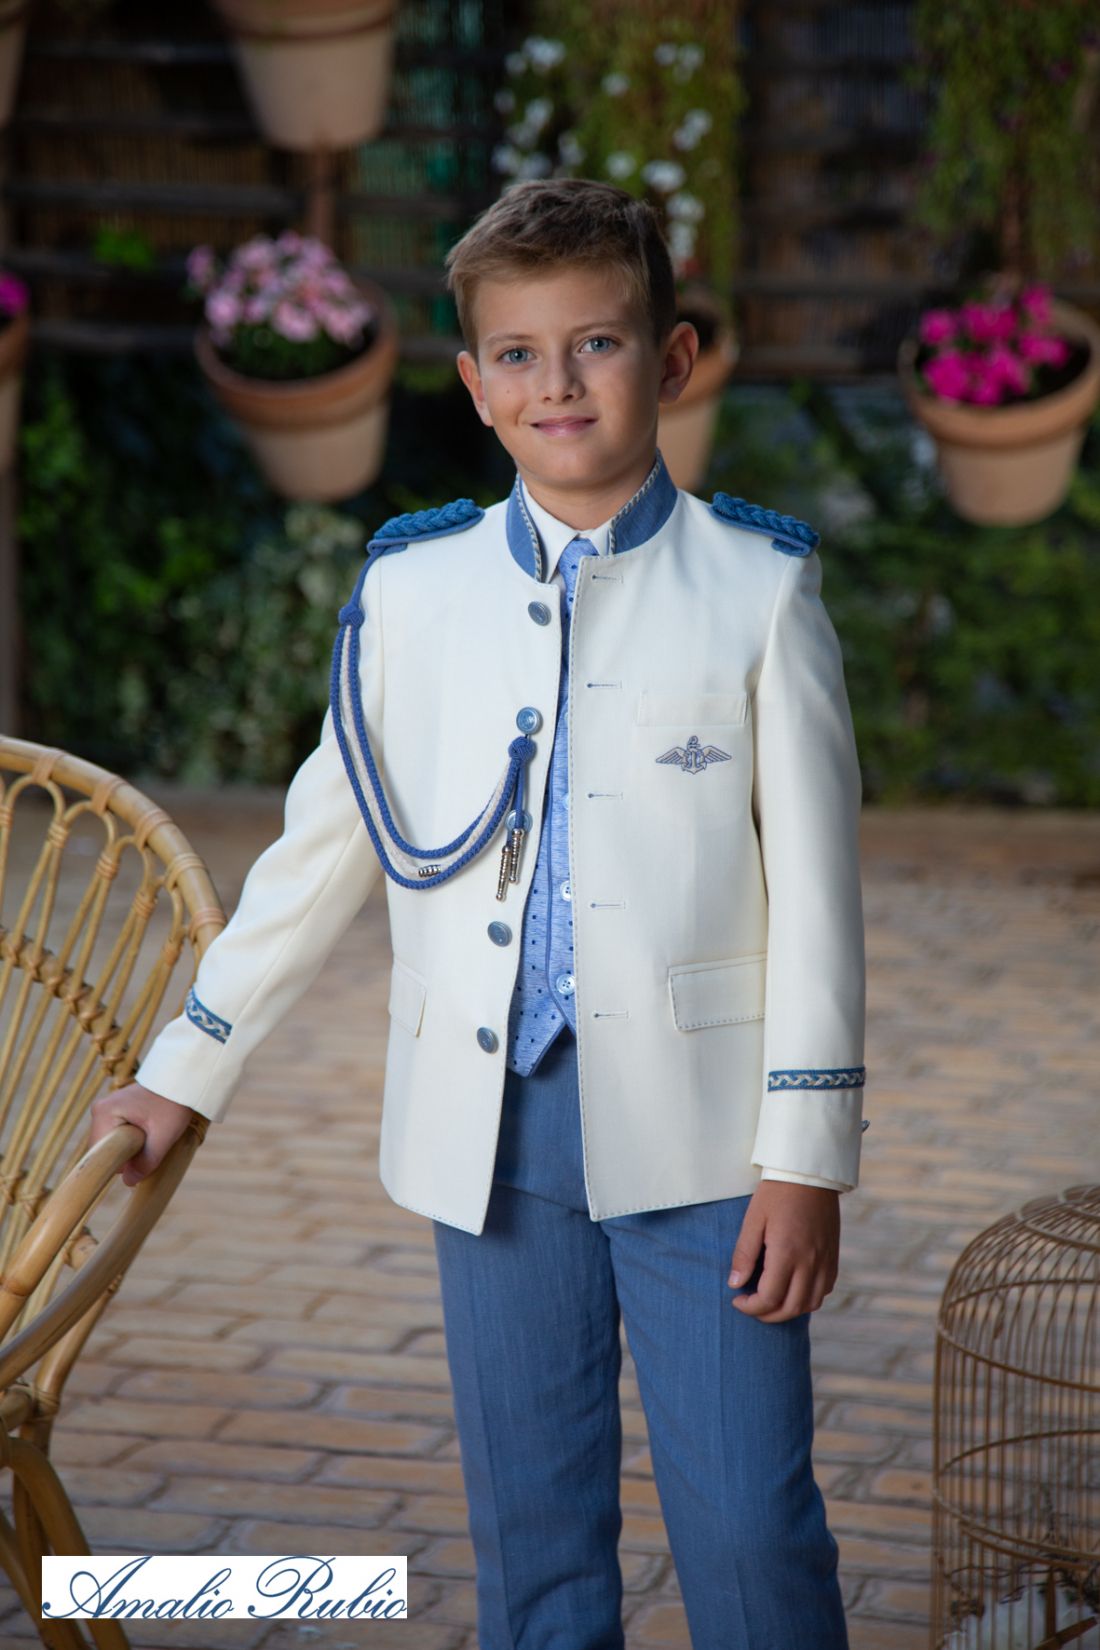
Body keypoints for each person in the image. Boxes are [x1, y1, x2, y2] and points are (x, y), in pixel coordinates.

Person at [89, 177, 868, 1649]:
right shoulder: (413, 592)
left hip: (712, 1142)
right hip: (492, 1134)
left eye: (598, 345)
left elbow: (823, 899)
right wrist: (181, 1073)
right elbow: (323, 852)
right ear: (473, 385)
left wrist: (806, 1155)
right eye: (518, 353)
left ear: (676, 360)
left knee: (753, 1531)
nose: (557, 383)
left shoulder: (758, 591)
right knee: (536, 1545)